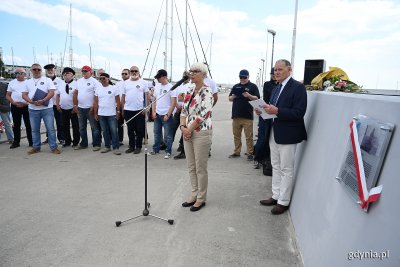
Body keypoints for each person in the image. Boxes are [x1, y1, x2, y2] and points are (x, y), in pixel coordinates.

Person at [258, 59, 307, 215]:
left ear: (289, 69)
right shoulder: (275, 89)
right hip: (274, 132)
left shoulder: (298, 88)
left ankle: (283, 201)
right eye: (275, 70)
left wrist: (277, 111)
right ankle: (275, 195)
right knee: (276, 166)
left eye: (280, 69)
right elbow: (272, 110)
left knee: (286, 168)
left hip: (289, 134)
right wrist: (262, 111)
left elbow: (299, 113)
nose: (277, 72)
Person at [180, 62, 214, 212]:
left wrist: (189, 129)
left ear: (204, 75)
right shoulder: (189, 90)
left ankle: (201, 198)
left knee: (201, 168)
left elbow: (203, 114)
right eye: (191, 71)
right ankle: (194, 194)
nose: (192, 74)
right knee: (191, 166)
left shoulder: (207, 92)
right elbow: (183, 111)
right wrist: (183, 127)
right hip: (187, 131)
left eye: (196, 71)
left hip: (201, 133)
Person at [22, 63, 61, 154]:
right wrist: (31, 102)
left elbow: (51, 92)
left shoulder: (47, 80)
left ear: (41, 71)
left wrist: (43, 100)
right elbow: (24, 94)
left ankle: (53, 147)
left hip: (46, 109)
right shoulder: (27, 82)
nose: (36, 71)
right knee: (34, 129)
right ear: (31, 71)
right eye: (34, 69)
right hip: (32, 109)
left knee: (50, 129)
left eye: (38, 69)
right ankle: (36, 147)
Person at [228, 69, 260, 161]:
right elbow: (230, 98)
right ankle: (237, 152)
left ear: (248, 77)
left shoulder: (253, 86)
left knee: (249, 136)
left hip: (247, 116)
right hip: (236, 115)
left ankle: (250, 153)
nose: (242, 79)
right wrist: (233, 97)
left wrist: (248, 95)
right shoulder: (236, 86)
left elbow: (257, 98)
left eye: (244, 77)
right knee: (236, 135)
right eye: (241, 77)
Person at [73, 65, 102, 151]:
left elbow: (98, 96)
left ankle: (96, 144)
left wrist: (94, 106)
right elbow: (75, 93)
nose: (84, 73)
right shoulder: (79, 81)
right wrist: (75, 105)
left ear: (90, 72)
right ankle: (83, 143)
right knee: (82, 127)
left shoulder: (95, 82)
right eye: (83, 71)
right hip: (81, 108)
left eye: (86, 71)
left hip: (90, 108)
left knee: (94, 128)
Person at [122, 66, 149, 154]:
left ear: (138, 72)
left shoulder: (144, 82)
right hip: (128, 110)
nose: (134, 72)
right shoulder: (125, 83)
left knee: (139, 129)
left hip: (139, 110)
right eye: (132, 71)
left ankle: (138, 147)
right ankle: (131, 146)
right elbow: (123, 96)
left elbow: (147, 95)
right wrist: (123, 109)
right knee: (130, 130)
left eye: (136, 71)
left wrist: (146, 107)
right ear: (130, 72)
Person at [254, 68, 277, 174]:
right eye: (272, 73)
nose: (274, 75)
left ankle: (267, 159)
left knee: (270, 138)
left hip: (276, 114)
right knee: (263, 137)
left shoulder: (281, 86)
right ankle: (258, 158)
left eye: (275, 73)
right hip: (266, 112)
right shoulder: (268, 84)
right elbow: (268, 97)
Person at [94, 72, 121, 155]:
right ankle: (107, 146)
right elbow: (96, 102)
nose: (102, 80)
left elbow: (117, 101)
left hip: (112, 114)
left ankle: (116, 147)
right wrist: (95, 113)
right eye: (100, 78)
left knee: (114, 131)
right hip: (101, 114)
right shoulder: (98, 89)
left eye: (104, 78)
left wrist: (118, 111)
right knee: (105, 131)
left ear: (108, 79)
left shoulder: (114, 88)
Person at [151, 69, 175, 159]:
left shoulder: (171, 87)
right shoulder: (157, 86)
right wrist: (153, 111)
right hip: (157, 113)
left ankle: (168, 151)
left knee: (168, 135)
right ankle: (155, 149)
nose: (157, 79)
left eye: (159, 77)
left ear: (164, 77)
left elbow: (173, 103)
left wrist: (168, 114)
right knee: (156, 133)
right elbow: (154, 100)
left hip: (166, 114)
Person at [6, 68, 33, 148]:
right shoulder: (11, 83)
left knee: (29, 125)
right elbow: (7, 95)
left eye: (19, 73)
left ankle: (31, 142)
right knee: (16, 125)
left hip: (27, 106)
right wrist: (13, 102)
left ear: (24, 74)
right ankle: (16, 142)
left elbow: (33, 95)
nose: (17, 74)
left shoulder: (29, 83)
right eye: (16, 73)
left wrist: (26, 103)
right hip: (15, 106)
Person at [56, 67, 80, 147]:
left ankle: (76, 141)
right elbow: (58, 95)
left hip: (73, 109)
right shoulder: (61, 84)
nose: (66, 75)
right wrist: (57, 105)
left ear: (72, 75)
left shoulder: (76, 84)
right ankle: (67, 141)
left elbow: (79, 96)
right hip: (63, 108)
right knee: (65, 126)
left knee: (75, 126)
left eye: (68, 73)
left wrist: (75, 106)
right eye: (65, 74)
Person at [44, 64, 65, 145]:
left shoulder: (60, 81)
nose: (50, 71)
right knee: (48, 123)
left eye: (51, 69)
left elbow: (62, 93)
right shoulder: (44, 80)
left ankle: (61, 138)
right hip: (46, 105)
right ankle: (49, 137)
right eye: (48, 70)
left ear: (54, 70)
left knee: (60, 122)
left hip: (57, 105)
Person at [172, 70, 191, 160]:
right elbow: (174, 98)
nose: (185, 77)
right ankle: (169, 147)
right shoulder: (179, 86)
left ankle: (184, 151)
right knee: (172, 129)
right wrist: (176, 106)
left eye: (187, 75)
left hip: (186, 112)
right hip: (177, 111)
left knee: (184, 130)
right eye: (184, 75)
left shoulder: (191, 85)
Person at [115, 68, 130, 145]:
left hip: (129, 107)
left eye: (125, 73)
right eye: (122, 74)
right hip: (119, 106)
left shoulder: (131, 83)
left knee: (131, 125)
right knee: (119, 124)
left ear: (129, 74)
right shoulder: (118, 83)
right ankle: (120, 140)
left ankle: (142, 138)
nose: (123, 75)